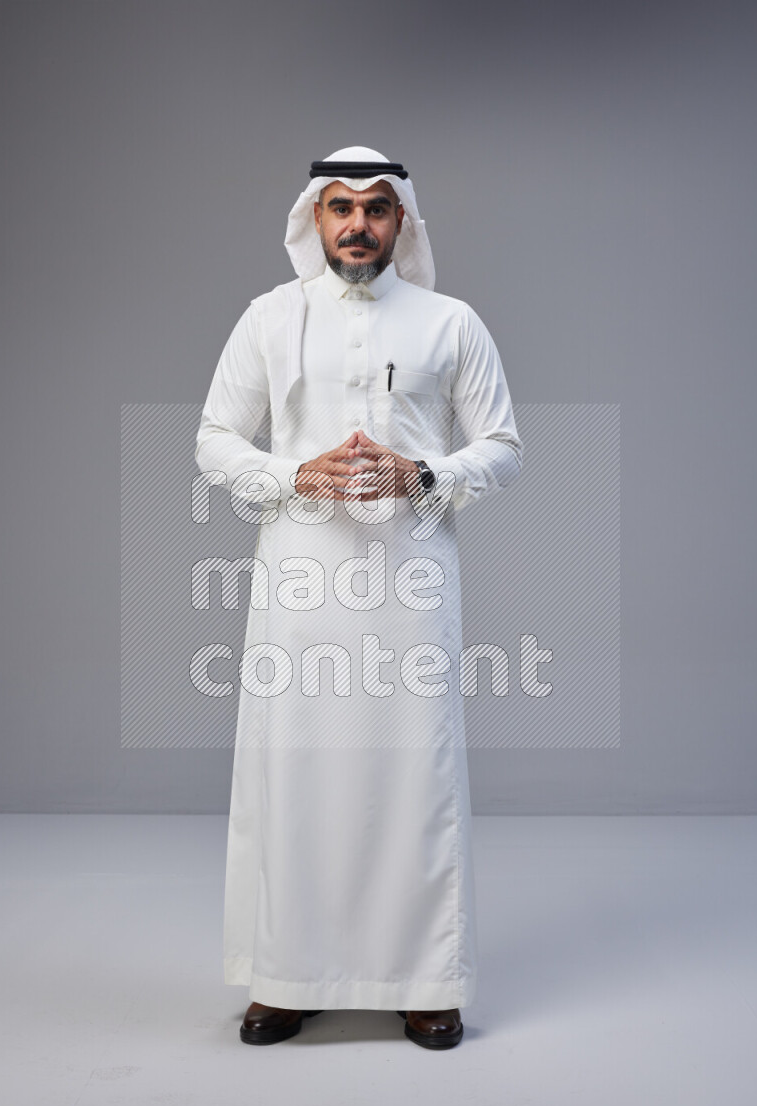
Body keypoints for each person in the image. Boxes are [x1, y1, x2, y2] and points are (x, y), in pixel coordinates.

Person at [195, 146, 523, 1049]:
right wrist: (295, 472)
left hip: (410, 584)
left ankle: (425, 979)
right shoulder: (270, 317)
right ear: (314, 218)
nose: (357, 224)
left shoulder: (450, 322)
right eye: (340, 206)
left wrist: (421, 472)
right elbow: (216, 439)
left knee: (413, 774)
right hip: (300, 581)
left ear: (402, 222)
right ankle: (286, 976)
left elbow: (502, 445)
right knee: (295, 770)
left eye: (377, 208)